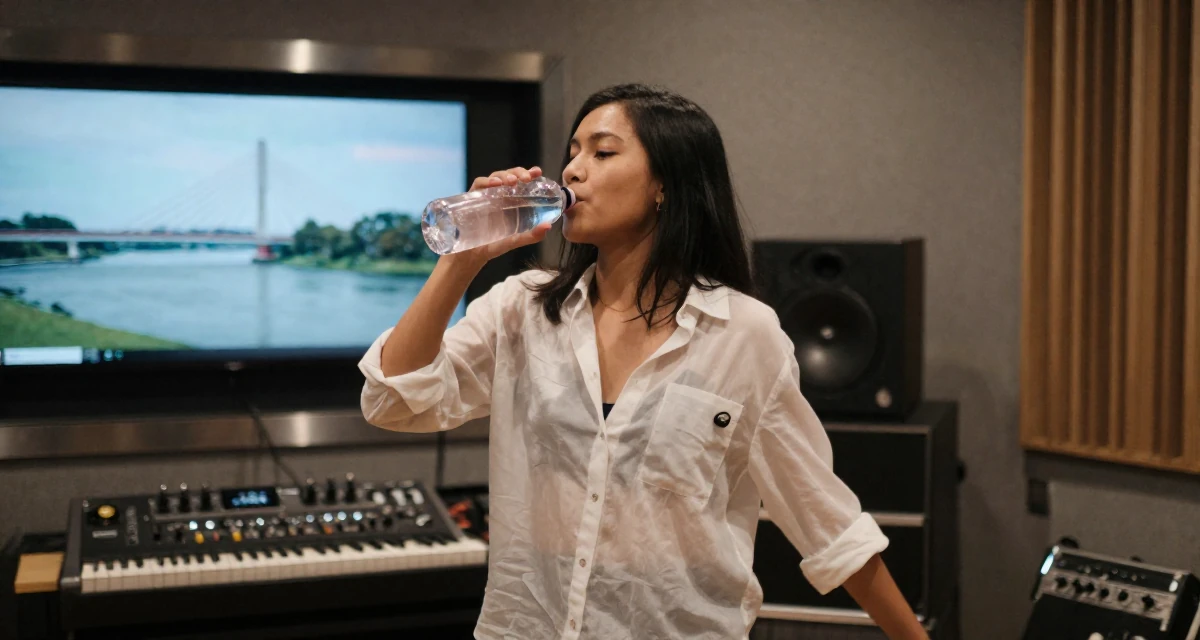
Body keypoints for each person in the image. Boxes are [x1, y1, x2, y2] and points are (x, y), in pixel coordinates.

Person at [358, 83, 928, 639]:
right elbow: (393, 401)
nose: (574, 171)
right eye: (573, 153)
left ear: (666, 186)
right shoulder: (523, 310)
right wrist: (462, 259)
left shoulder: (743, 335)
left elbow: (827, 524)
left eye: (603, 152)